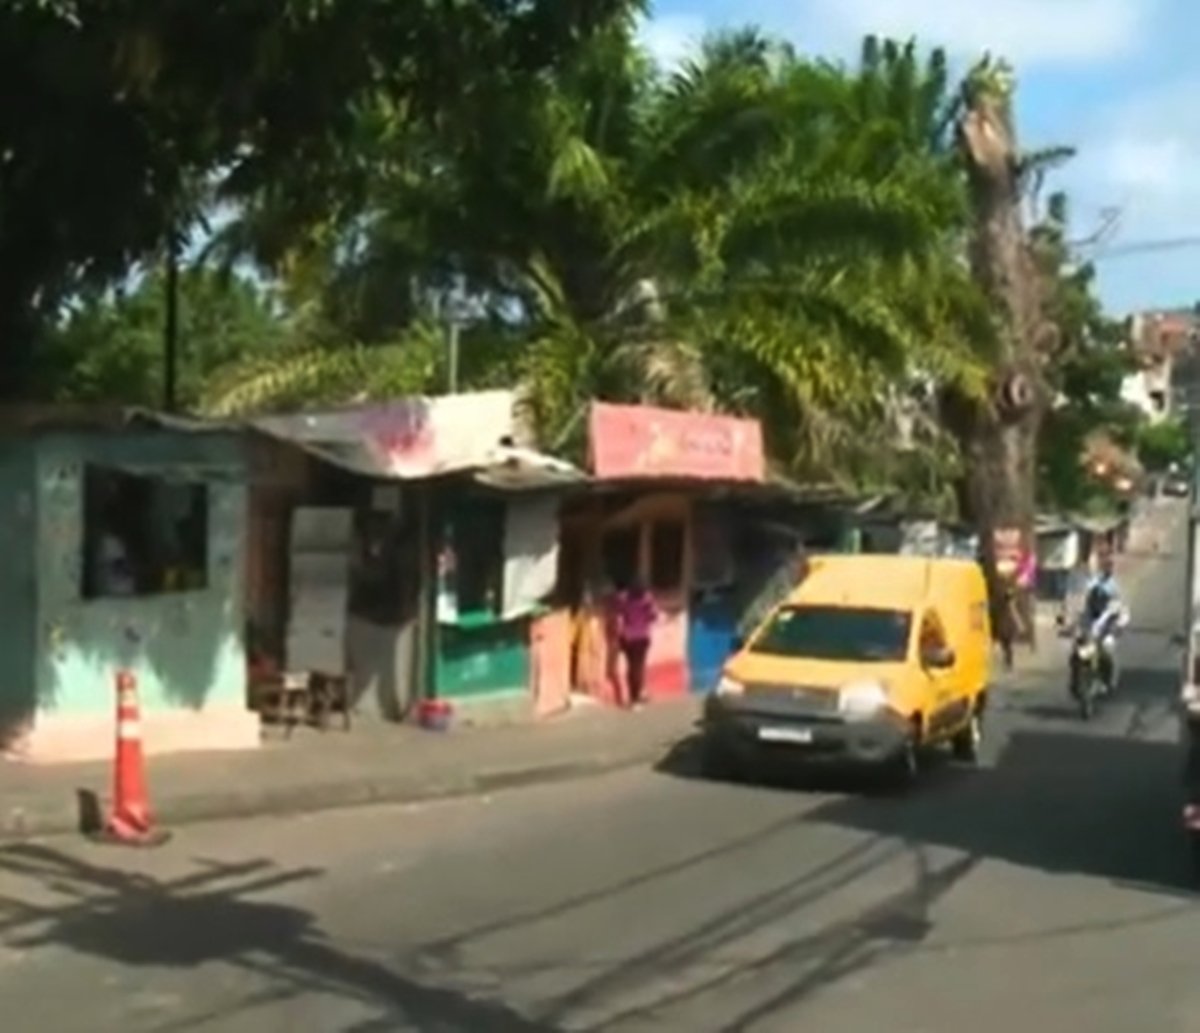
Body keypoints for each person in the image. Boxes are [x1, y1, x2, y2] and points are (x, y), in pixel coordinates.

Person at [1078, 550, 1130, 692]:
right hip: (1093, 623)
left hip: (1110, 624)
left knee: (1107, 649)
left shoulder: (1114, 586)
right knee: (1078, 648)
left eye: (1110, 566)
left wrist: (1115, 624)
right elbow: (1083, 600)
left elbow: (1120, 610)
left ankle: (1110, 679)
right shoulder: (1095, 582)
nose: (1107, 568)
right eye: (1105, 565)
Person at [613, 577, 657, 709]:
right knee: (638, 667)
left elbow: (619, 615)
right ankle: (636, 697)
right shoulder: (647, 599)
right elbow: (653, 616)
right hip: (642, 637)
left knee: (631, 667)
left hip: (627, 637)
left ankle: (635, 696)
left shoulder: (623, 598)